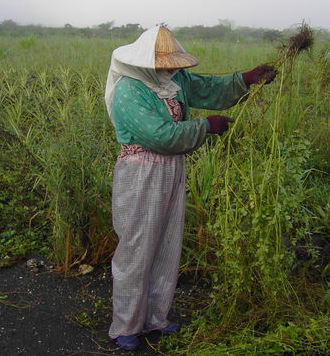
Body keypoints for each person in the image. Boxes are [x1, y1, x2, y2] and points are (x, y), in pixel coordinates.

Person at [104, 25, 277, 351]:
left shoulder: (174, 81)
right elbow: (161, 135)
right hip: (141, 173)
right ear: (144, 61)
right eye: (163, 63)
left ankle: (155, 318)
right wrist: (206, 126)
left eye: (173, 63)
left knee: (167, 243)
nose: (170, 68)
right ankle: (125, 325)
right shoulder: (130, 90)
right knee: (137, 248)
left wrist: (246, 78)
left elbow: (208, 88)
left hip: (171, 169)